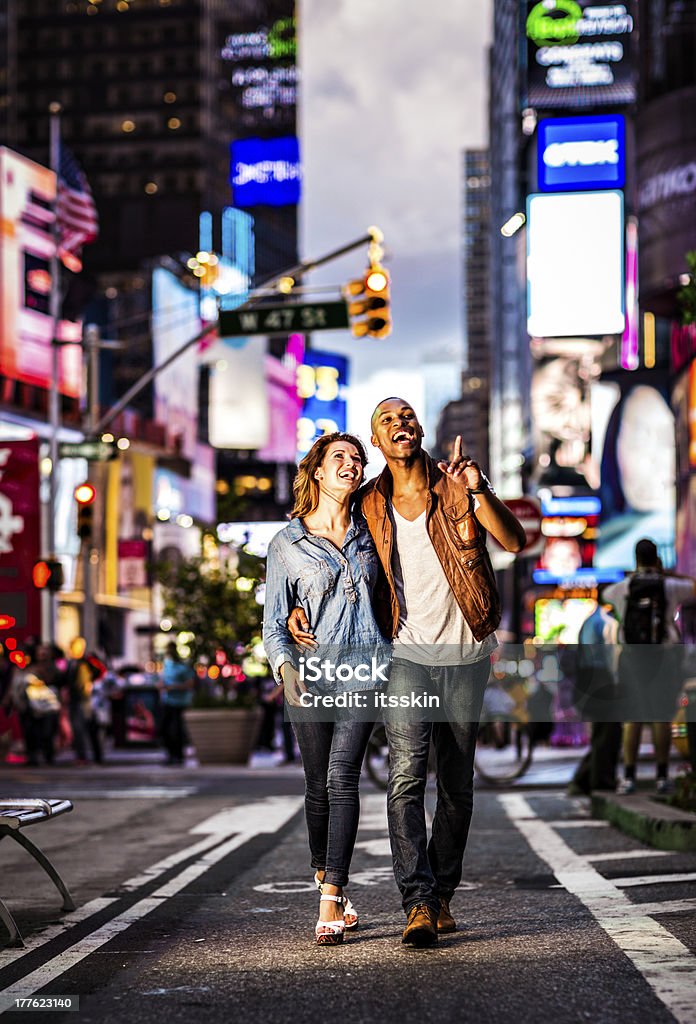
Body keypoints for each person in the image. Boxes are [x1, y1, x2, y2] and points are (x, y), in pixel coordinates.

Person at [289, 399, 525, 947]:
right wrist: (298, 606)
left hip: (466, 653)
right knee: (405, 779)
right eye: (387, 421)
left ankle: (442, 894)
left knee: (458, 785)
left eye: (407, 417)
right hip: (406, 657)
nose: (400, 425)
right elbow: (323, 555)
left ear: (419, 430)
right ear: (378, 441)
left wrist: (479, 486)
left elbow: (513, 542)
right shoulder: (369, 503)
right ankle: (417, 902)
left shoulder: (457, 487)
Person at [263, 432, 389, 946]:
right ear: (316, 471)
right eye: (341, 457)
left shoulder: (374, 533)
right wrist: (286, 668)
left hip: (366, 668)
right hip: (310, 677)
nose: (353, 464)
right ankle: (324, 871)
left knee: (342, 776)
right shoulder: (286, 544)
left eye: (358, 458)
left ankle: (331, 894)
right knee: (317, 785)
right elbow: (274, 623)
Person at [604, 539, 696, 795]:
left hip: (632, 658)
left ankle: (629, 777)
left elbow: (604, 595)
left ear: (636, 559)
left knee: (632, 720)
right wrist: (666, 573)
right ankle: (662, 777)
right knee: (661, 718)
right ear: (657, 559)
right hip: (663, 659)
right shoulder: (669, 586)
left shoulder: (623, 588)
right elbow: (693, 587)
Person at [567, 586, 622, 796]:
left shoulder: (591, 620)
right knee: (608, 732)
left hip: (590, 683)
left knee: (602, 732)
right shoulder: (605, 622)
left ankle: (587, 780)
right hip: (602, 682)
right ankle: (598, 781)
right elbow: (609, 657)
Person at [64, 637, 102, 764]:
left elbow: (99, 672)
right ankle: (84, 755)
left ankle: (91, 755)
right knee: (79, 728)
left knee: (85, 727)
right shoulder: (72, 663)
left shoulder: (86, 662)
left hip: (83, 699)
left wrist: (89, 686)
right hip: (76, 699)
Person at [160, 641, 194, 765]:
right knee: (165, 729)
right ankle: (170, 754)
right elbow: (163, 680)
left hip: (180, 702)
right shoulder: (167, 664)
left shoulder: (183, 666)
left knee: (177, 730)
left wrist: (174, 687)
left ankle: (178, 755)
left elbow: (190, 684)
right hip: (167, 701)